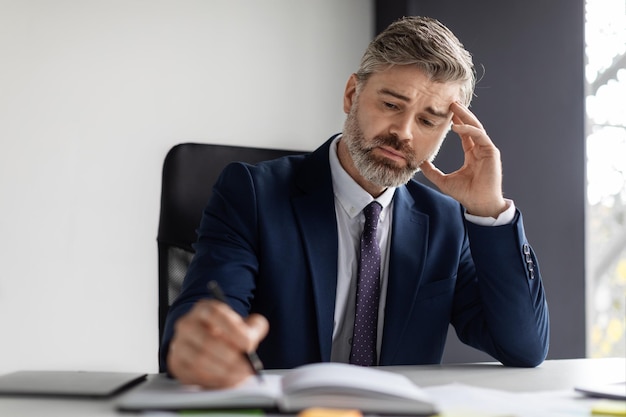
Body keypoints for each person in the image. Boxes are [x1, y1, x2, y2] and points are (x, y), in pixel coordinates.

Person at [161, 16, 550, 388]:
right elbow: (201, 321)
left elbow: (524, 347)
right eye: (391, 105)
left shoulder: (447, 221)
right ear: (352, 95)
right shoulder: (253, 194)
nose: (404, 133)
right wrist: (204, 343)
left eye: (429, 121)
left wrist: (488, 211)